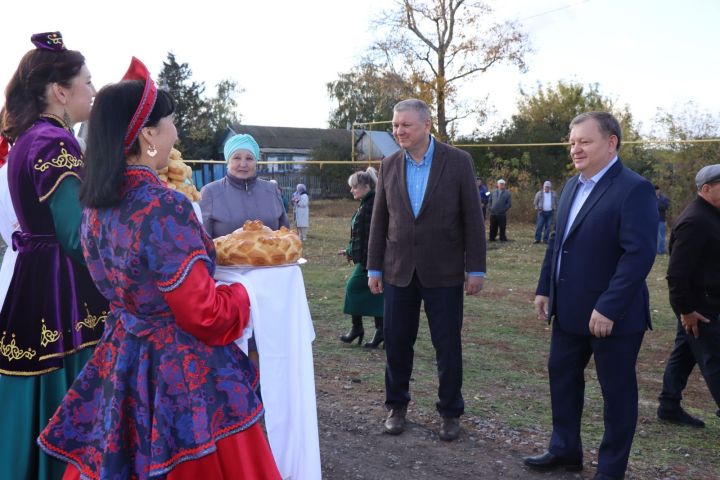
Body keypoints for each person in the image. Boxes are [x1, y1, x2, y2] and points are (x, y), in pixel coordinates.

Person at [38, 58, 280, 479]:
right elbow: (203, 313)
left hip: (122, 357)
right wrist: (249, 294)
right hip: (180, 371)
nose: (175, 131)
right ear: (148, 134)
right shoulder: (162, 205)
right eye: (169, 121)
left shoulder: (96, 204)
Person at [526, 112, 657, 480]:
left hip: (613, 317)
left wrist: (608, 306)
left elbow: (639, 255)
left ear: (611, 142)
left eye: (584, 141)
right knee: (562, 378)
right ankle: (565, 450)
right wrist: (543, 288)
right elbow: (558, 242)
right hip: (568, 311)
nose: (575, 149)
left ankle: (611, 470)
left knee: (617, 394)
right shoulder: (571, 186)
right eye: (572, 142)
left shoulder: (634, 188)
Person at [0, 31, 107, 480]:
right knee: (69, 399)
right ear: (61, 91)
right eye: (87, 80)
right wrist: (122, 266)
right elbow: (74, 234)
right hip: (63, 289)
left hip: (34, 280)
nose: (94, 90)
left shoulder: (27, 138)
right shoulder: (56, 143)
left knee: (36, 394)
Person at [367, 99, 486, 442]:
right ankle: (396, 406)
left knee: (447, 346)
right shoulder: (389, 164)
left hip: (444, 271)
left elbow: (473, 220)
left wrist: (475, 268)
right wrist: (374, 267)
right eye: (395, 125)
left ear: (427, 125)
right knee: (397, 343)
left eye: (405, 125)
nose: (398, 131)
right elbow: (380, 220)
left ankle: (450, 412)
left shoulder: (458, 162)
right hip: (397, 270)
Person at [656, 164, 720, 429]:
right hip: (699, 307)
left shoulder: (713, 214)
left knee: (684, 353)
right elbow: (677, 274)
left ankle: (669, 406)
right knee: (715, 359)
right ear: (706, 189)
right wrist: (686, 311)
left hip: (705, 302)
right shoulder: (695, 221)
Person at [199, 133, 288, 237]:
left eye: (249, 158)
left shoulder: (271, 190)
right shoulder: (211, 192)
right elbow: (202, 241)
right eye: (237, 158)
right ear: (228, 161)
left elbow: (285, 235)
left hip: (272, 253)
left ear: (256, 162)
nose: (243, 164)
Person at [339, 167, 384, 348]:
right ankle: (379, 332)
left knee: (353, 288)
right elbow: (360, 235)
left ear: (366, 186)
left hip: (370, 261)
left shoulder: (372, 205)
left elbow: (371, 238)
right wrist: (349, 251)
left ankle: (358, 328)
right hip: (367, 259)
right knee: (375, 294)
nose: (352, 190)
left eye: (355, 187)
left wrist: (370, 262)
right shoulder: (367, 203)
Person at [656, 185, 670, 254]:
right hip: (653, 220)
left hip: (661, 220)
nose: (656, 191)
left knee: (661, 236)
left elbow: (666, 206)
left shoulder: (664, 198)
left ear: (659, 190)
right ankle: (655, 249)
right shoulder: (651, 198)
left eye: (657, 190)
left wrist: (658, 204)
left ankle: (661, 251)